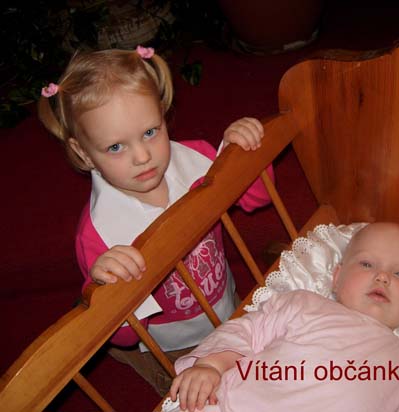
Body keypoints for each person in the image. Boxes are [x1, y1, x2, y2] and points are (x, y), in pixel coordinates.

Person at [38, 45, 273, 395]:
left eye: (150, 132)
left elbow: (258, 197)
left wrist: (243, 152)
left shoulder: (196, 157)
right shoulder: (99, 233)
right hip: (171, 346)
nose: (142, 156)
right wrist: (108, 289)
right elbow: (125, 333)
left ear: (162, 114)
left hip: (226, 303)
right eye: (115, 147)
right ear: (83, 153)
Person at [169, 222, 399, 412]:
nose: (383, 277)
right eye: (367, 264)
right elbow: (247, 331)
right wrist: (211, 365)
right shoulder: (304, 304)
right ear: (336, 278)